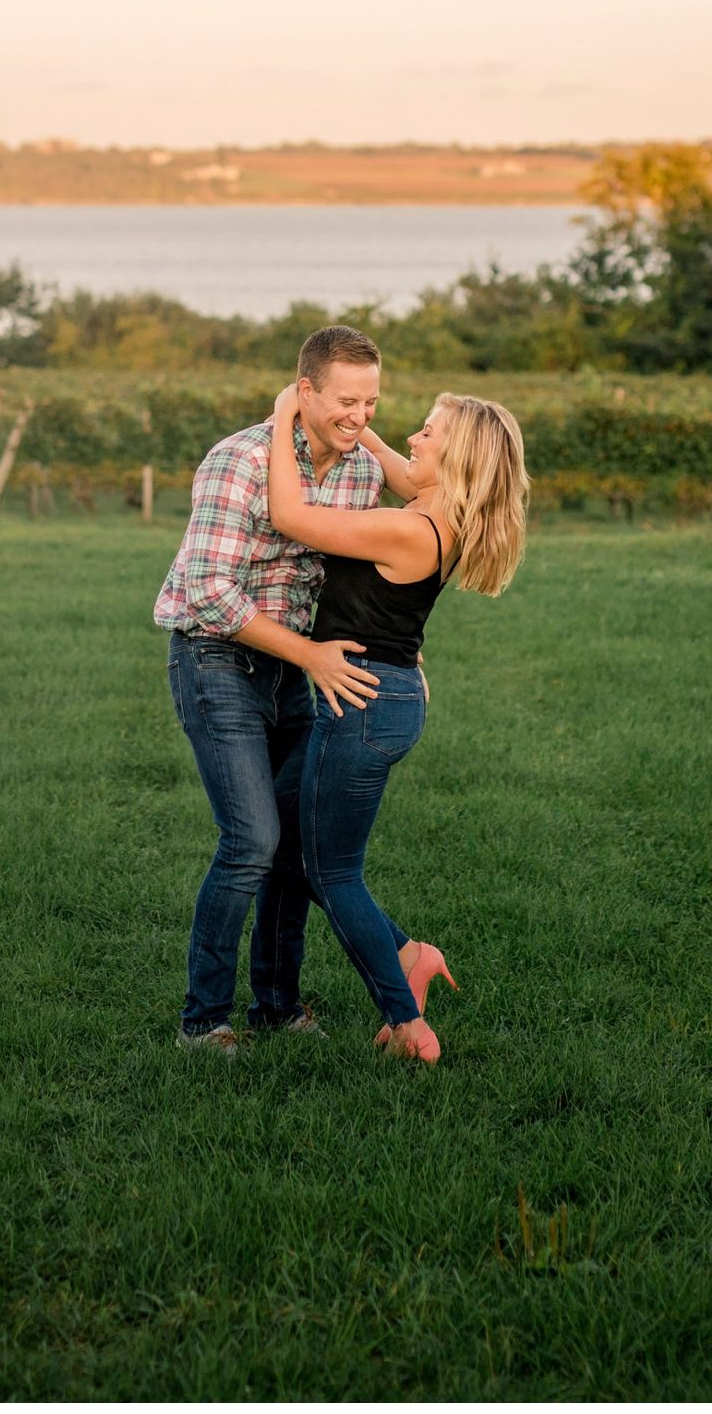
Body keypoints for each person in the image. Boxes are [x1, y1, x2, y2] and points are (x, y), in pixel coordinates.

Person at [263, 381, 530, 1064]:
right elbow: (404, 470)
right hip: (382, 692)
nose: (412, 437)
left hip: (364, 705)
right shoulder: (429, 510)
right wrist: (357, 430)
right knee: (289, 845)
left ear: (458, 457)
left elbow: (289, 515)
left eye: (429, 432)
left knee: (330, 872)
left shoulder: (408, 527)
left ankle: (406, 1023)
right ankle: (408, 955)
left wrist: (284, 415)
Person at [153, 324, 391, 1052]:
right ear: (304, 391)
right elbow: (207, 588)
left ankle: (278, 1008)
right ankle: (203, 1021)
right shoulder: (240, 459)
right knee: (252, 839)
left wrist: (366, 437)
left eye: (372, 402)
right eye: (345, 401)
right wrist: (311, 657)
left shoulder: (359, 471)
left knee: (293, 847)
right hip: (216, 658)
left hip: (296, 666)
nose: (359, 415)